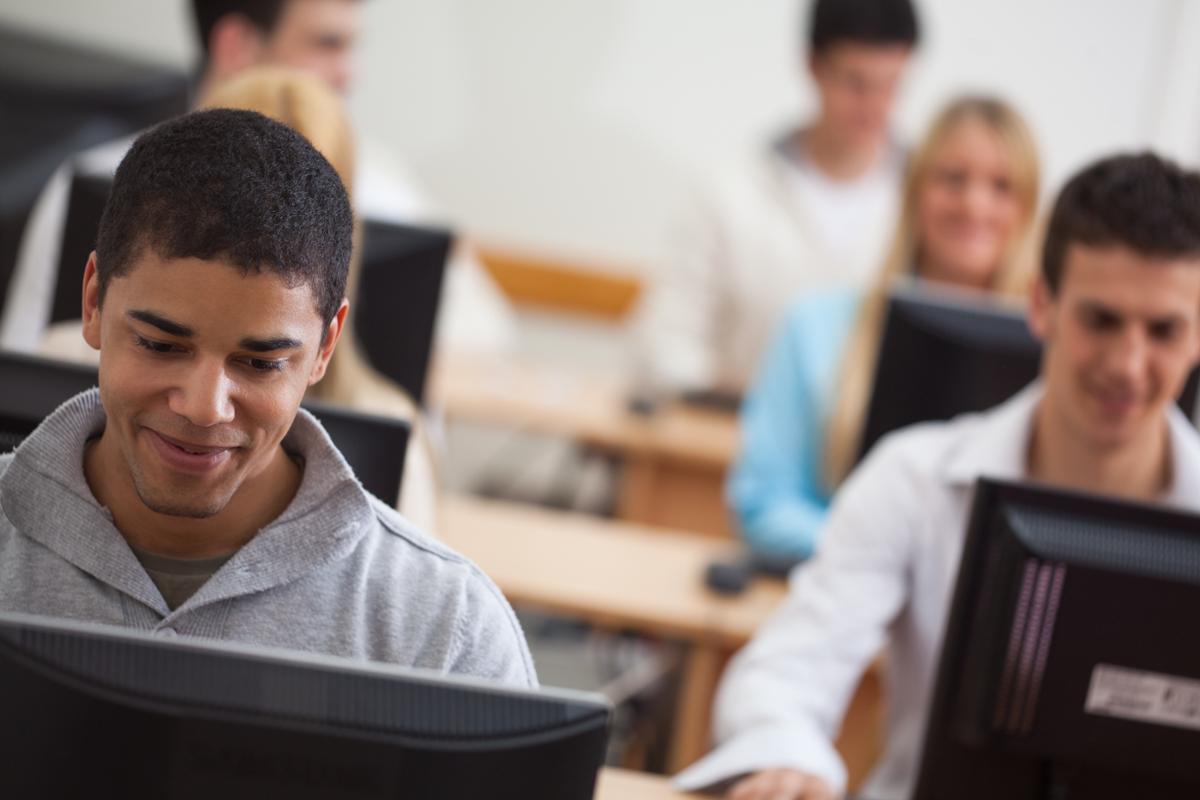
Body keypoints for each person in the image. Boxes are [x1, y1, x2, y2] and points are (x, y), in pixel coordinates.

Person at [674, 151, 1200, 799]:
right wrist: (790, 757)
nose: (1128, 363)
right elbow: (787, 671)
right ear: (1042, 306)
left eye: (1164, 331)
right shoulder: (914, 479)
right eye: (1102, 320)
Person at [0, 109, 535, 687]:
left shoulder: (443, 633)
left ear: (325, 347)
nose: (205, 408)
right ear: (93, 302)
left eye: (260, 363)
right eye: (160, 345)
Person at [0, 0, 515, 358]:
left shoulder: (383, 186)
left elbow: (490, 333)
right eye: (327, 44)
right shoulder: (98, 178)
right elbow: (23, 366)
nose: (349, 74)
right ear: (237, 44)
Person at [730, 96, 1040, 559]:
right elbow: (762, 503)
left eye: (1002, 186)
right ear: (913, 191)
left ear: (1029, 207)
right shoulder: (813, 326)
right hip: (839, 592)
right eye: (953, 179)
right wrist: (877, 558)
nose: (975, 204)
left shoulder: (1054, 355)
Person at [633, 0, 919, 397]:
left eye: (890, 85)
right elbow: (661, 347)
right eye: (856, 83)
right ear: (812, 67)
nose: (874, 107)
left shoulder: (925, 202)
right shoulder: (731, 193)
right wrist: (762, 403)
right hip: (735, 439)